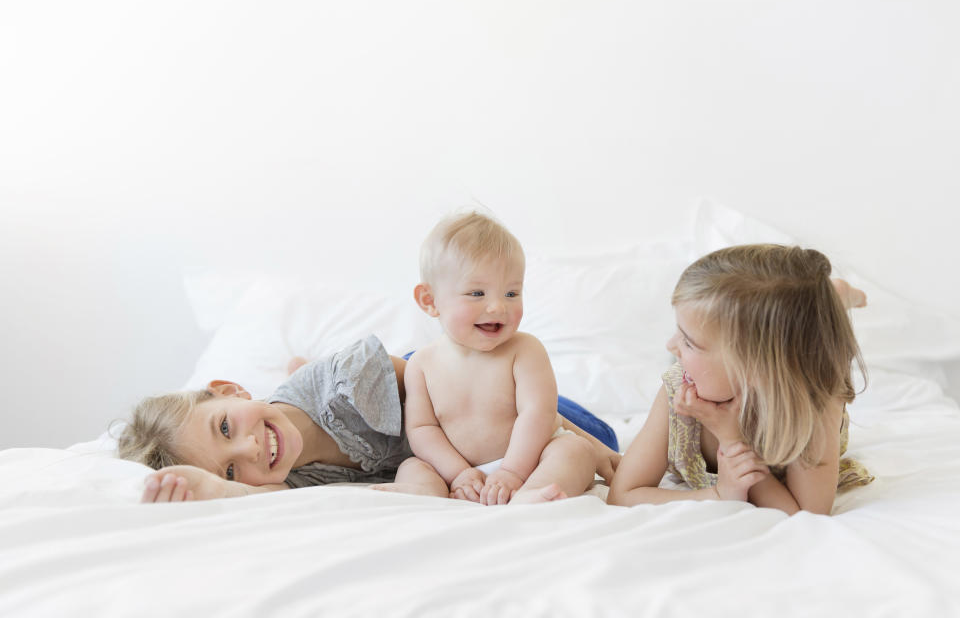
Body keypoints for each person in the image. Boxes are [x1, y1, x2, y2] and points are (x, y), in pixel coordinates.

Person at [120, 336, 621, 503]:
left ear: (230, 389)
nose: (249, 450)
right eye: (230, 468)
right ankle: (297, 368)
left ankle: (304, 366)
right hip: (453, 458)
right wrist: (205, 487)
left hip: (479, 399)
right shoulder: (286, 477)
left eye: (225, 427)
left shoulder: (350, 380)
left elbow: (510, 401)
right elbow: (251, 497)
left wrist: (587, 446)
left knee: (594, 439)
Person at [607, 244, 873, 515]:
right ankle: (831, 296)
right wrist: (717, 495)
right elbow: (622, 494)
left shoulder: (816, 404)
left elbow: (808, 513)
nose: (670, 346)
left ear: (755, 368)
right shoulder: (679, 391)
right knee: (798, 326)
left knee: (815, 344)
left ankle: (833, 299)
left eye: (689, 342)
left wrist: (733, 441)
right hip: (776, 357)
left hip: (796, 371)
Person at [376, 211, 598, 505]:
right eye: (477, 293)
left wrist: (513, 472)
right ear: (429, 301)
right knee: (412, 466)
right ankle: (423, 493)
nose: (497, 307)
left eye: (511, 293)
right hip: (457, 471)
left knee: (576, 451)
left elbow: (539, 415)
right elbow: (422, 429)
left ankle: (534, 494)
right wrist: (458, 473)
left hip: (526, 462)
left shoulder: (525, 351)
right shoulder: (422, 364)